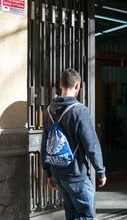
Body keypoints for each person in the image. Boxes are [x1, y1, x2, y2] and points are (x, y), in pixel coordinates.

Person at [41, 69, 106, 219]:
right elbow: (91, 145)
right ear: (77, 86)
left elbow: (45, 144)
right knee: (84, 215)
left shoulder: (49, 111)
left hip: (58, 173)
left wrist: (49, 173)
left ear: (60, 85)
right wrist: (100, 171)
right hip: (76, 174)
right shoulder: (79, 110)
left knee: (70, 214)